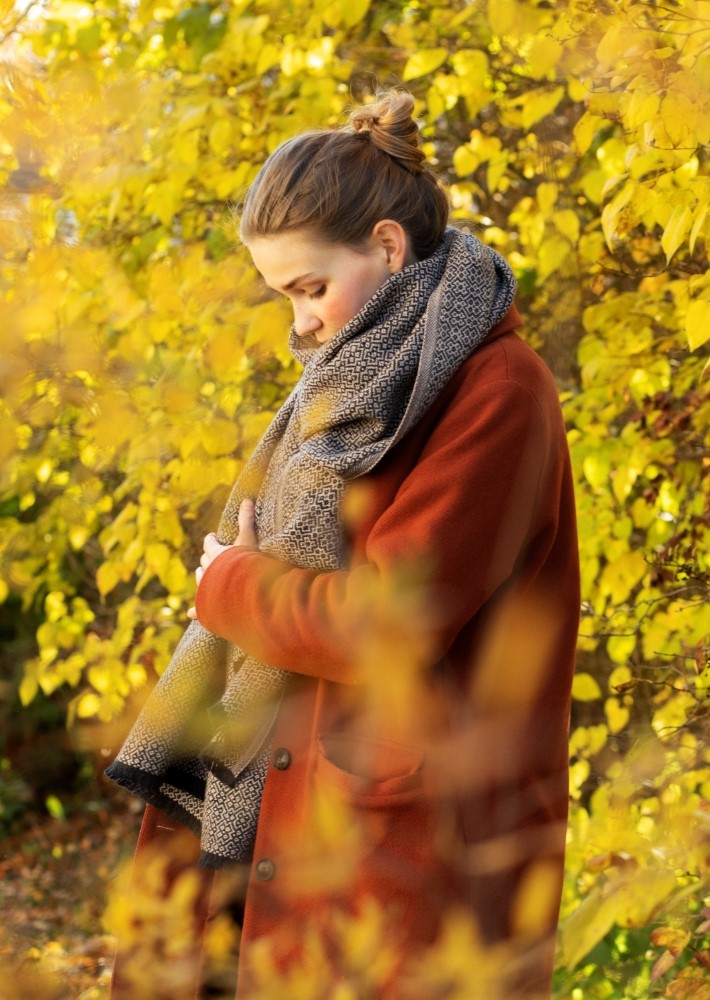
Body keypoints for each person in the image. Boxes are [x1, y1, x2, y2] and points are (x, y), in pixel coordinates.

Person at [106, 89, 579, 999]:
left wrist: (233, 585)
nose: (300, 323)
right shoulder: (354, 390)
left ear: (389, 248)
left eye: (311, 288)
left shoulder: (495, 391)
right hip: (285, 824)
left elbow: (385, 626)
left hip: (411, 860)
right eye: (285, 296)